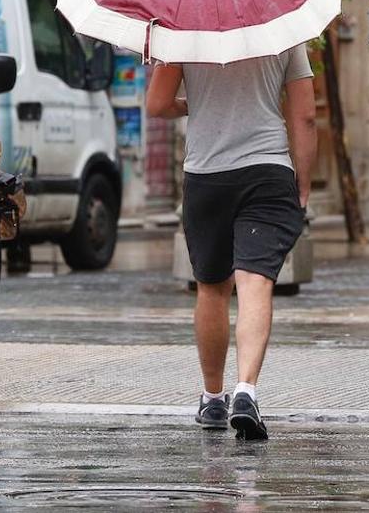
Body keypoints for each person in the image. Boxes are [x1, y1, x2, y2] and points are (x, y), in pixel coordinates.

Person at [146, 44, 317, 441]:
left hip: (207, 173)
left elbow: (158, 104)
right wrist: (303, 184)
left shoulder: (185, 31)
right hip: (268, 170)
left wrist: (195, 105)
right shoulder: (283, 28)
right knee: (255, 281)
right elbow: (305, 115)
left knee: (211, 289)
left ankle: (212, 397)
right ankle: (246, 390)